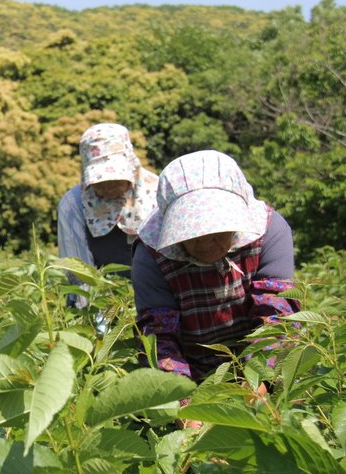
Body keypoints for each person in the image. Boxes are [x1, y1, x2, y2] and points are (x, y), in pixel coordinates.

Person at [131, 150, 299, 386]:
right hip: (191, 369)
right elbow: (159, 337)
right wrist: (181, 400)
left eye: (218, 230)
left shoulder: (269, 231)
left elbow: (277, 313)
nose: (208, 243)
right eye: (194, 233)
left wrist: (260, 379)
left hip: (262, 362)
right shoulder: (151, 255)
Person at [57, 123, 159, 310]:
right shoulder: (73, 205)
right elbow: (79, 275)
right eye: (100, 182)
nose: (108, 188)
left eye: (115, 180)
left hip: (158, 299)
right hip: (101, 303)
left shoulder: (157, 193)